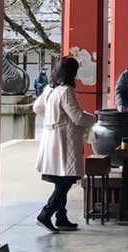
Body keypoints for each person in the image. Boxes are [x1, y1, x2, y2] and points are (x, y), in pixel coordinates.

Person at [33, 56, 96, 232]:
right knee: (66, 181)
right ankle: (46, 214)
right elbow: (77, 117)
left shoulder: (50, 89)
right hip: (64, 140)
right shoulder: (66, 91)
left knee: (60, 179)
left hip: (50, 139)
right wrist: (94, 119)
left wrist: (50, 120)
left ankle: (61, 217)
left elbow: (37, 108)